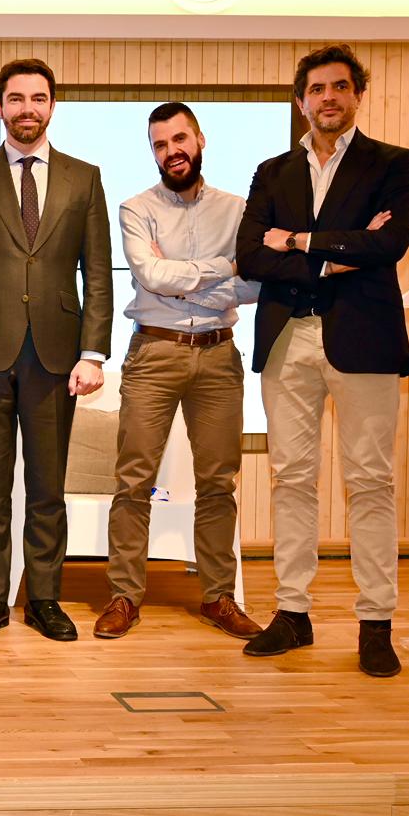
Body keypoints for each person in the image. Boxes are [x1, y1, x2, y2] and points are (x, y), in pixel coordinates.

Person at [236, 44, 409, 678]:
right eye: (317, 89)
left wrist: (299, 240)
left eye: (341, 87)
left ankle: (376, 623)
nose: (329, 98)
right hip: (288, 338)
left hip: (362, 338)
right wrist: (341, 252)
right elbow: (251, 257)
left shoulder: (393, 164)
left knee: (370, 481)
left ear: (357, 95)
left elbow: (390, 242)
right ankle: (292, 613)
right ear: (301, 100)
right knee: (291, 479)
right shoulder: (271, 172)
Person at [0, 58, 114, 643]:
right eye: (15, 99)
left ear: (52, 106)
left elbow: (97, 272)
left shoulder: (84, 177)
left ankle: (43, 597)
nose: (27, 109)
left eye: (38, 98)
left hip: (56, 356)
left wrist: (93, 352)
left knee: (47, 486)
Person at [94, 102, 262, 641]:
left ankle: (218, 598)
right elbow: (151, 274)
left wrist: (185, 276)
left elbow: (257, 285)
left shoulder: (239, 210)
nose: (173, 152)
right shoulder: (135, 208)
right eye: (161, 145)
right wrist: (223, 268)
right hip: (155, 354)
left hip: (218, 355)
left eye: (180, 139)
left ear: (201, 139)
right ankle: (124, 597)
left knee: (218, 483)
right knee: (133, 481)